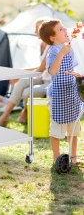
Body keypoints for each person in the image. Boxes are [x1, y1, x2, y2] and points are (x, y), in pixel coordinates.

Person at [39, 19, 82, 164]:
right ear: (52, 38)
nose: (65, 31)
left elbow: (71, 68)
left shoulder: (68, 48)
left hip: (71, 93)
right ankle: (57, 157)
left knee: (74, 128)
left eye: (64, 28)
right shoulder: (53, 51)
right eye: (61, 29)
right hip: (58, 95)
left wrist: (77, 75)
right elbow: (52, 71)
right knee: (57, 129)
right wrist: (61, 54)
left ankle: (73, 156)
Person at [0, 19, 51, 126]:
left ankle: (25, 112)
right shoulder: (42, 44)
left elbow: (41, 68)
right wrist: (20, 73)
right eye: (37, 29)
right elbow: (41, 68)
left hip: (50, 82)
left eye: (40, 29)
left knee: (27, 92)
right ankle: (5, 115)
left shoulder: (51, 45)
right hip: (43, 78)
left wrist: (20, 73)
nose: (37, 31)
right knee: (22, 81)